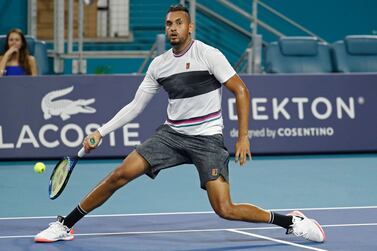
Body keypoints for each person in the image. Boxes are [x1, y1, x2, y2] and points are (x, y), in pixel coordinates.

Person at [35, 4, 325, 243]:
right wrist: (101, 131)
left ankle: (291, 221)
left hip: (208, 139)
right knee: (119, 174)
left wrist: (243, 136)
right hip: (171, 135)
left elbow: (241, 90)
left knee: (225, 209)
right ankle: (65, 224)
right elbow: (136, 105)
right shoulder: (159, 65)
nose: (172, 28)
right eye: (168, 24)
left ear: (189, 28)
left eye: (178, 23)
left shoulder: (209, 55)